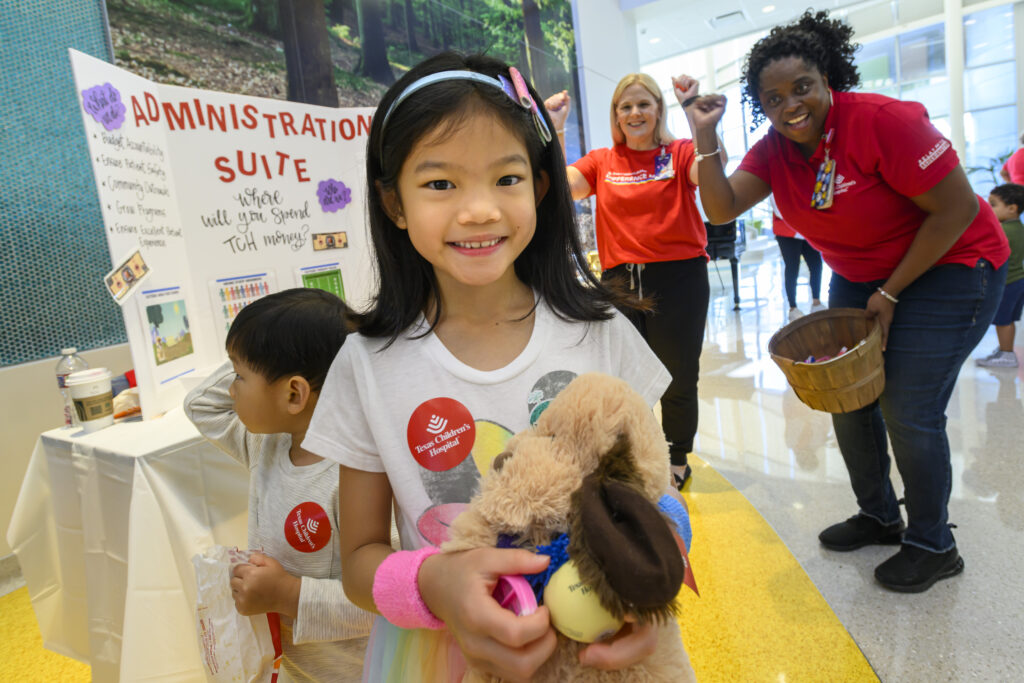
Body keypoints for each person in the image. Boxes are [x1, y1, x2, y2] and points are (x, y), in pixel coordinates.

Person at [302, 53, 677, 681]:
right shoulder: (366, 366)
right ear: (394, 203)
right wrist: (436, 585)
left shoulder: (602, 333)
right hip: (443, 656)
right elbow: (361, 558)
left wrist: (657, 572)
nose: (479, 210)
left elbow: (659, 497)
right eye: (440, 184)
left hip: (605, 650)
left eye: (506, 178)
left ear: (540, 186)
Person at [688, 10, 1009, 593]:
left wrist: (890, 292)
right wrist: (705, 136)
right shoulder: (775, 149)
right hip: (861, 277)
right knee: (846, 395)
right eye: (774, 96)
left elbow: (958, 211)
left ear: (827, 77)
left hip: (955, 265)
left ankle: (933, 543)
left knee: (907, 406)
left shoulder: (884, 121)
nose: (791, 105)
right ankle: (880, 515)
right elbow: (721, 208)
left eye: (802, 87)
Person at [543, 72, 726, 490]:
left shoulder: (679, 152)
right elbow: (561, 187)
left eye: (643, 103)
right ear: (616, 116)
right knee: (621, 377)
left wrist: (698, 119)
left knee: (678, 374)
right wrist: (555, 128)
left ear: (658, 109)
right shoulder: (603, 161)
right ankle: (633, 454)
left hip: (678, 277)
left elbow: (712, 170)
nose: (635, 112)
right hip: (619, 281)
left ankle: (677, 457)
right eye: (625, 106)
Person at [184, 288, 373, 681]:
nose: (231, 388)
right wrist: (256, 347)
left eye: (239, 375)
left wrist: (287, 594)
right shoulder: (264, 442)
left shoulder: (359, 476)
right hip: (288, 668)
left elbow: (381, 602)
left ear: (294, 393)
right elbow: (199, 404)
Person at [976, 183, 1024, 368]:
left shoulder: (1003, 231)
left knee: (1002, 321)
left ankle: (1007, 354)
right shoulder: (1019, 228)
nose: (989, 208)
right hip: (1018, 281)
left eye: (994, 204)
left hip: (1008, 283)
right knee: (1008, 320)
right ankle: (1005, 350)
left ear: (1012, 209)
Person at [771, 195, 824, 320]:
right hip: (786, 230)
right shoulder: (778, 179)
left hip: (808, 229)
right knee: (792, 267)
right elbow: (778, 207)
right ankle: (793, 307)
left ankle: (816, 302)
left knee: (816, 265)